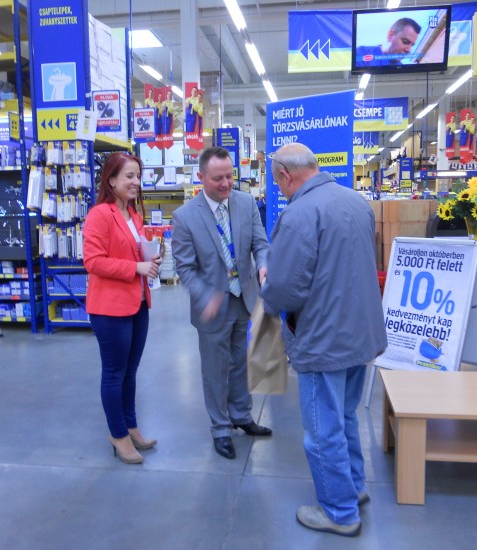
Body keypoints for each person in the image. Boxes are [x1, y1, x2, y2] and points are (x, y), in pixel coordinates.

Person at [260, 143, 387, 537]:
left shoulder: (299, 214)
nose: (279, 189)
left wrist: (267, 291)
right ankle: (354, 487)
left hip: (323, 338)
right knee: (345, 416)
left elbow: (286, 287)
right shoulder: (357, 203)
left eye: (277, 183)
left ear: (285, 175)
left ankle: (339, 511)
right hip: (359, 332)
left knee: (320, 430)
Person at [172, 147, 271, 460]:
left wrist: (263, 265)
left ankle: (241, 415)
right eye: (218, 178)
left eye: (230, 176)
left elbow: (260, 243)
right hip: (212, 306)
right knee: (216, 370)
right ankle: (220, 428)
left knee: (242, 362)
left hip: (245, 298)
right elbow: (185, 268)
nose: (226, 183)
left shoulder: (246, 203)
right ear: (201, 177)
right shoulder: (185, 217)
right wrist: (206, 296)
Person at [83, 152, 163, 465]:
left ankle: (131, 427)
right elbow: (93, 261)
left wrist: (150, 259)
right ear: (112, 179)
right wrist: (136, 268)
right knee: (115, 373)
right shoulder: (99, 215)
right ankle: (118, 435)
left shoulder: (133, 215)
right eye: (129, 176)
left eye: (138, 176)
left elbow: (133, 253)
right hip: (110, 308)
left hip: (138, 302)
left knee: (130, 372)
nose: (135, 182)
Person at [355, 18, 421, 67]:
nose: (408, 50)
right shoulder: (362, 53)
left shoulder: (402, 70)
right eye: (405, 42)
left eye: (412, 45)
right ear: (390, 35)